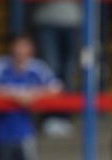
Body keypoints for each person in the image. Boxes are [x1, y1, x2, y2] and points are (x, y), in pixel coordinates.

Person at [0, 35, 62, 160]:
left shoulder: (37, 67)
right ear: (11, 48)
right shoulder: (1, 65)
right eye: (18, 46)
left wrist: (33, 95)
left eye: (25, 46)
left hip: (26, 134)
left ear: (32, 49)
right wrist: (15, 95)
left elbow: (56, 89)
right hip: (2, 133)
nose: (21, 51)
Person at [32, 0, 82, 137]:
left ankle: (63, 116)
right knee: (50, 69)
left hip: (73, 21)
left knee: (68, 71)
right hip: (46, 20)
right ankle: (49, 117)